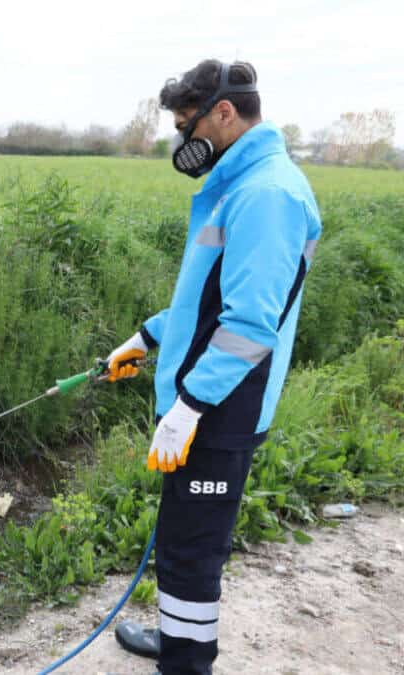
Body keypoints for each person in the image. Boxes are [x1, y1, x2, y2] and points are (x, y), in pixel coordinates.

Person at [105, 59, 323, 675]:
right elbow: (207, 297)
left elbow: (252, 323)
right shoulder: (243, 184)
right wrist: (146, 339)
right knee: (181, 539)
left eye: (186, 126)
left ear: (223, 113)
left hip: (225, 406)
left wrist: (191, 406)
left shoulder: (266, 194)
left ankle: (187, 665)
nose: (184, 142)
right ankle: (179, 644)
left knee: (193, 549)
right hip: (207, 400)